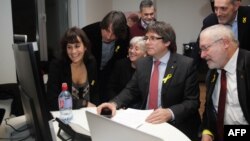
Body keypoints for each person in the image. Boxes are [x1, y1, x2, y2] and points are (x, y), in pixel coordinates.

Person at [98, 21, 201, 141]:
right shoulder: (143, 63)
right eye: (146, 38)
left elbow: (192, 101)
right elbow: (130, 90)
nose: (147, 42)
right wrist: (113, 104)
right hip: (146, 122)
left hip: (175, 125)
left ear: (167, 42)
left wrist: (170, 112)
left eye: (152, 38)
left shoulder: (185, 65)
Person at [199, 24, 250, 141]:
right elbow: (209, 112)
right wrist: (207, 133)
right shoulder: (212, 73)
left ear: (225, 43)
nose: (202, 55)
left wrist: (232, 134)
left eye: (205, 48)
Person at [82, 11, 130, 103]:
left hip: (109, 76)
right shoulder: (88, 32)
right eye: (107, 31)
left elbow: (120, 60)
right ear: (102, 26)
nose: (109, 36)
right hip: (88, 75)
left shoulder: (125, 34)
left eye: (114, 34)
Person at [46, 27, 98, 111]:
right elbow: (52, 101)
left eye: (77, 46)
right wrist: (83, 103)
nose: (73, 51)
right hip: (66, 116)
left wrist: (96, 110)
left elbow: (95, 93)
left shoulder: (91, 62)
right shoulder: (57, 65)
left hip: (89, 116)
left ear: (85, 47)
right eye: (69, 47)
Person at [193, 0, 250, 72]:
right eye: (216, 8)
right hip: (221, 71)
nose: (218, 13)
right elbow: (198, 49)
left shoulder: (248, 16)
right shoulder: (210, 21)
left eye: (223, 8)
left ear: (236, 6)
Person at [106, 36, 147, 106]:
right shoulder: (120, 64)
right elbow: (111, 87)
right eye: (131, 48)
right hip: (118, 104)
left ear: (145, 53)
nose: (132, 51)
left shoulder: (147, 69)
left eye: (136, 49)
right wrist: (116, 103)